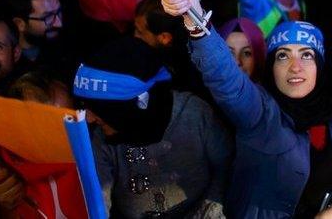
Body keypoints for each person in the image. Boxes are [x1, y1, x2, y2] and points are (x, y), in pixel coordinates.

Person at [160, 0, 332, 218]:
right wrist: (195, 18)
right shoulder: (259, 114)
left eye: (307, 55)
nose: (295, 67)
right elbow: (226, 79)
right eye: (283, 56)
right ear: (270, 68)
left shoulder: (331, 112)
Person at [74, 37, 232, 217]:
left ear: (132, 106)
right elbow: (96, 201)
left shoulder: (195, 114)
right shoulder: (101, 138)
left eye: (98, 109)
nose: (88, 118)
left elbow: (226, 166)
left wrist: (210, 210)